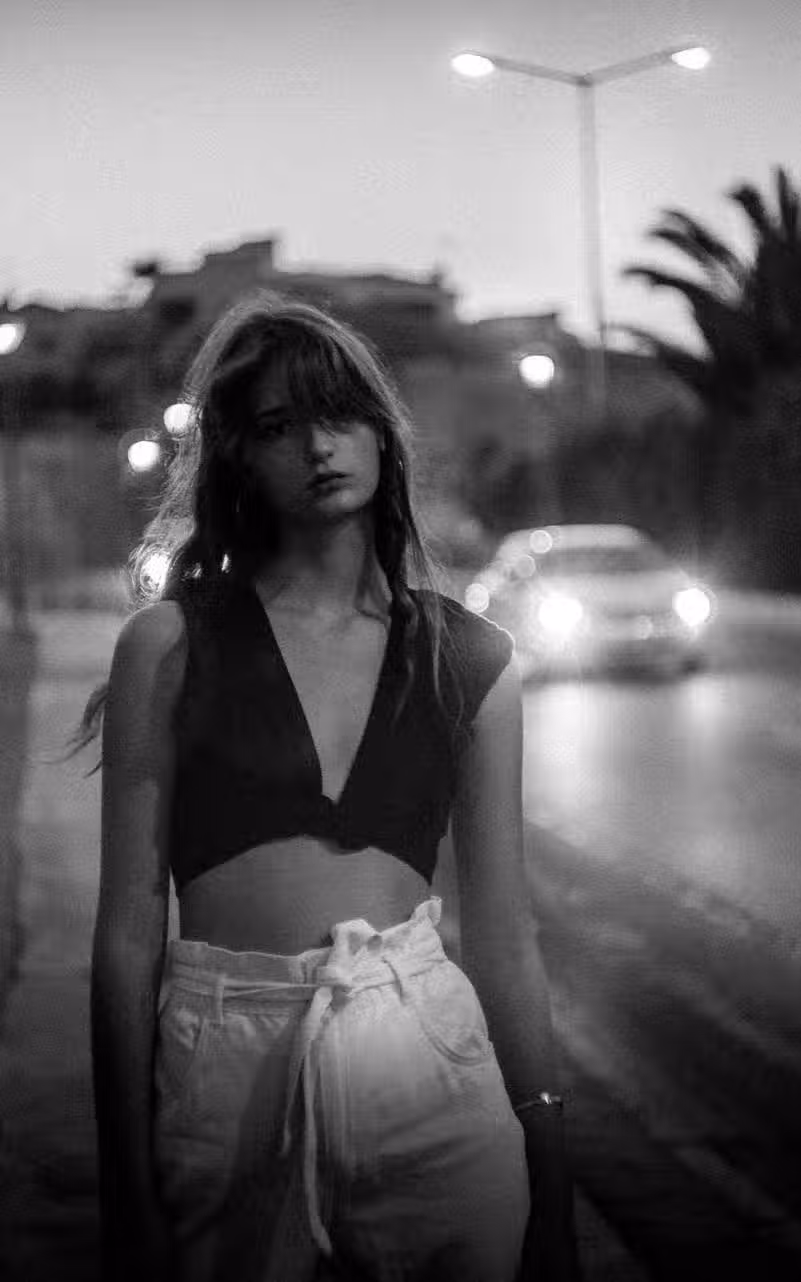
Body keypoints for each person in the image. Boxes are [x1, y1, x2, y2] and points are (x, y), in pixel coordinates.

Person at [68, 291, 579, 1281]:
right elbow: (127, 935)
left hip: (429, 1059)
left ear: (383, 432)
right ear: (237, 457)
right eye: (277, 426)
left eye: (339, 413)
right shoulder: (169, 646)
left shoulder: (471, 659)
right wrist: (124, 1191)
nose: (317, 446)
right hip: (229, 1065)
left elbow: (506, 936)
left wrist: (552, 1184)